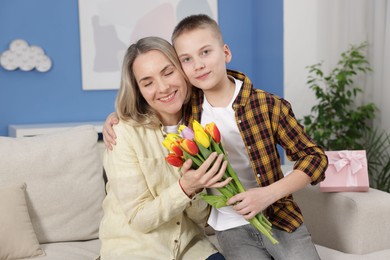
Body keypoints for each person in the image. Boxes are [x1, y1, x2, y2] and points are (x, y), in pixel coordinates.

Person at [103, 14, 328, 260]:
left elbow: (314, 158)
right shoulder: (189, 114)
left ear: (226, 53)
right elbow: (150, 111)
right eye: (187, 59)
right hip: (229, 227)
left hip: (279, 217)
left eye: (205, 53)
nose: (198, 65)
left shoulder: (265, 106)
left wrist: (269, 194)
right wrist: (117, 117)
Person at [99, 36, 229, 260]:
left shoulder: (203, 126)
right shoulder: (123, 133)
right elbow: (140, 219)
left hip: (192, 249)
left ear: (183, 69)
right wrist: (185, 188)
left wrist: (195, 188)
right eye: (148, 83)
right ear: (138, 90)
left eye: (168, 72)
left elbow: (201, 219)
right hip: (135, 250)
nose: (163, 87)